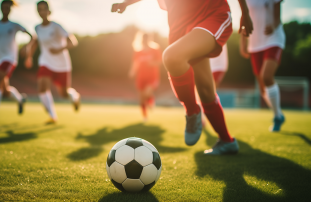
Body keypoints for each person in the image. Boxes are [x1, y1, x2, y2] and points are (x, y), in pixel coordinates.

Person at [111, 0, 253, 155]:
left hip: (211, 14)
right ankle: (227, 141)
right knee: (206, 92)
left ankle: (192, 111)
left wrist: (245, 13)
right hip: (179, 26)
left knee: (172, 57)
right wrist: (125, 3)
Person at [25, 1, 80, 124]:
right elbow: (35, 41)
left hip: (62, 64)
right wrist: (29, 56)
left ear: (49, 11)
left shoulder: (57, 26)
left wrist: (59, 49)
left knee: (64, 94)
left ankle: (75, 97)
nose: (42, 11)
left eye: (44, 9)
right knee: (42, 88)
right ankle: (52, 116)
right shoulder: (37, 28)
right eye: (39, 9)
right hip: (46, 62)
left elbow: (73, 42)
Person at [240, 0, 285, 132]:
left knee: (266, 76)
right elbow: (244, 16)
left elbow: (277, 15)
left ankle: (277, 116)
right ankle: (279, 114)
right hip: (255, 43)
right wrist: (243, 42)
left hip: (273, 39)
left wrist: (274, 26)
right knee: (262, 87)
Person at [129, 32, 162, 121]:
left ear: (149, 39)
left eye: (146, 38)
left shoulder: (155, 49)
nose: (145, 40)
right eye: (143, 38)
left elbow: (160, 62)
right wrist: (132, 71)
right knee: (141, 99)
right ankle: (145, 116)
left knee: (147, 93)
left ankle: (151, 100)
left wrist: (152, 63)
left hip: (152, 77)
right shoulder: (138, 52)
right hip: (141, 77)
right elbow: (136, 63)